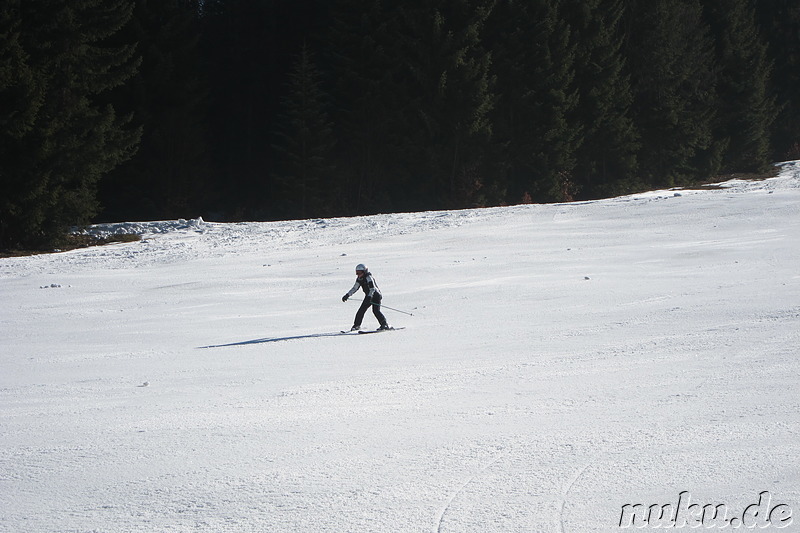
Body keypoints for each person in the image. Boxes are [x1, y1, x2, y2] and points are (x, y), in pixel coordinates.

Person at [342, 263, 389, 331]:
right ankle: (356, 325)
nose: (358, 275)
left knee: (376, 311)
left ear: (364, 272)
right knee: (361, 310)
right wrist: (347, 295)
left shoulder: (369, 278)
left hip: (376, 296)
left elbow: (372, 289)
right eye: (357, 273)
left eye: (359, 273)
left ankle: (384, 324)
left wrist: (369, 297)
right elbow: (355, 288)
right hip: (368, 296)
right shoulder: (359, 279)